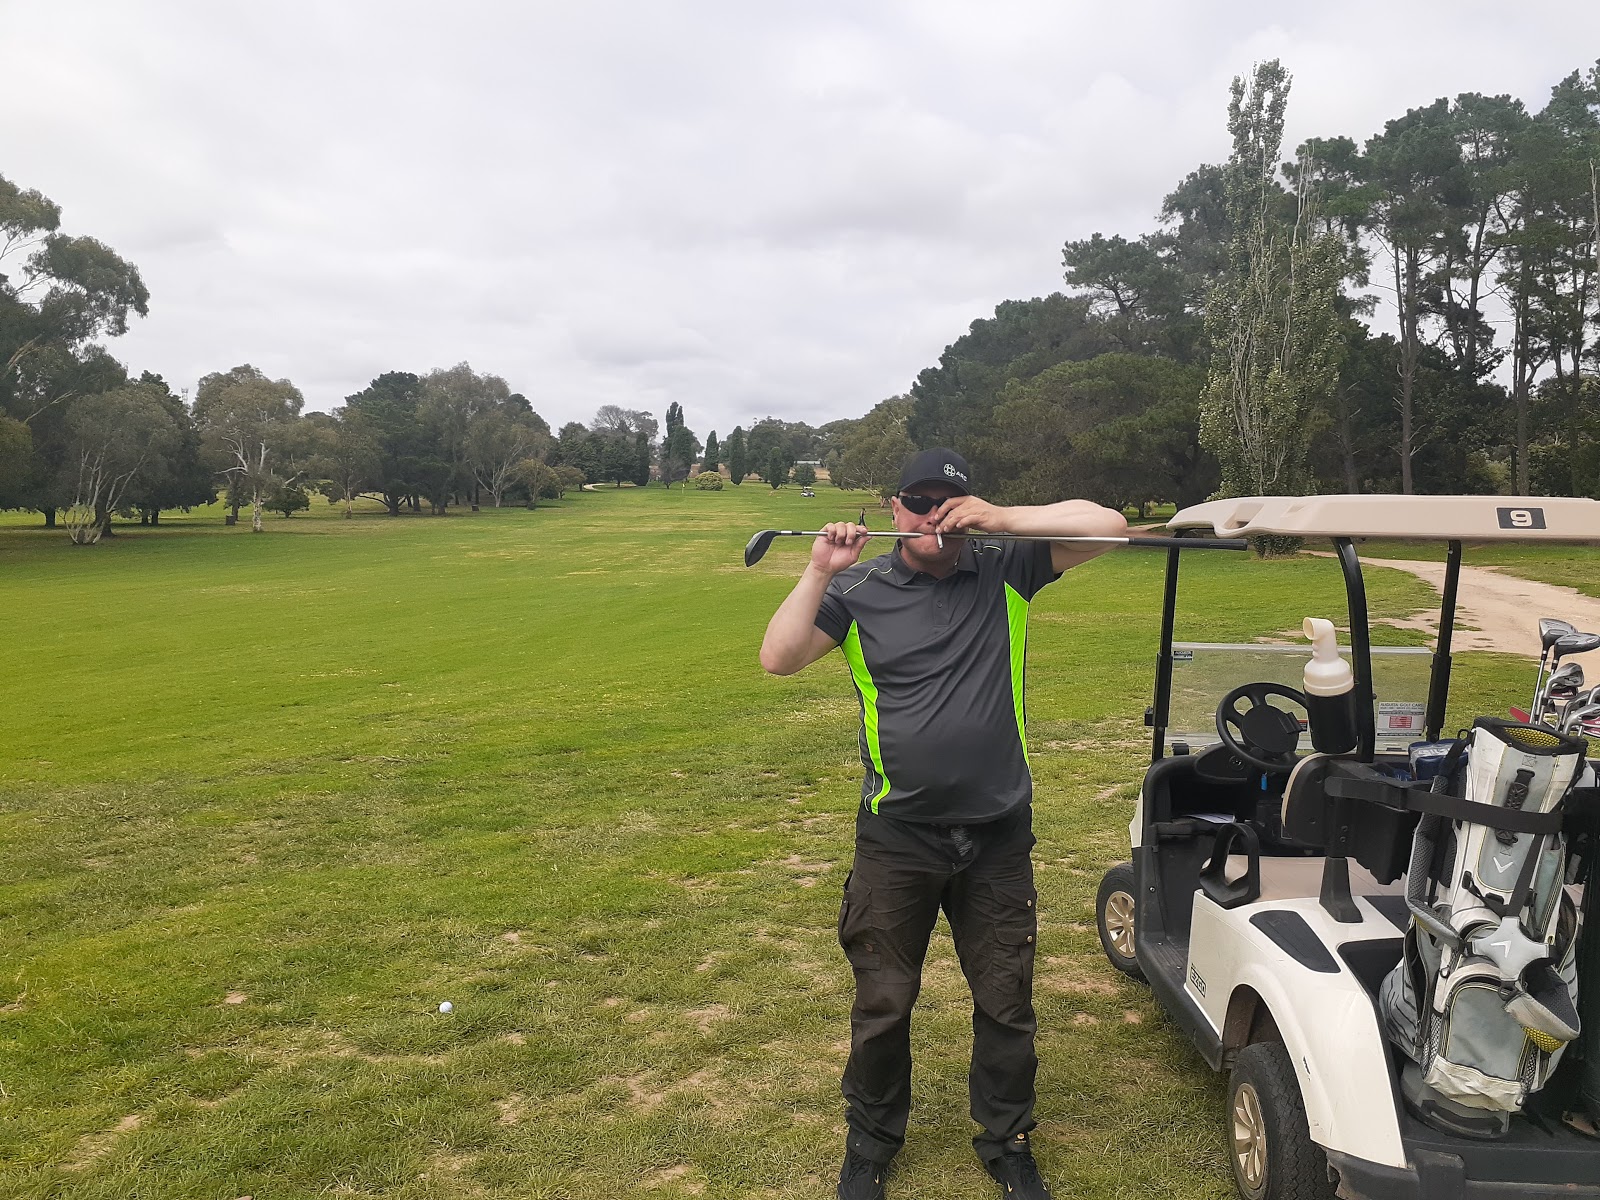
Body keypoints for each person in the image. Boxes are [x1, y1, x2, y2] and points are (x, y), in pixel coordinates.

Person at [758, 448, 1128, 1200]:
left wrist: (1002, 519)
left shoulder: (1006, 567)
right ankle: (871, 1142)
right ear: (893, 509)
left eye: (948, 502)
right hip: (897, 838)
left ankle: (1007, 1139)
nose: (934, 515)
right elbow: (779, 657)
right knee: (884, 1002)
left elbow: (1110, 527)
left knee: (1005, 1001)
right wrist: (818, 570)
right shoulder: (856, 588)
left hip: (996, 835)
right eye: (919, 502)